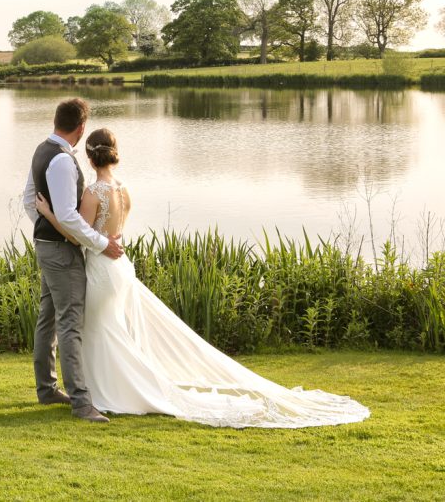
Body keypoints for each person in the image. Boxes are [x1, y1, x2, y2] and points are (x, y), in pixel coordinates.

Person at [34, 126, 370, 428]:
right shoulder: (123, 190)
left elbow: (79, 235)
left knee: (100, 329)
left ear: (90, 159)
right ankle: (103, 388)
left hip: (101, 266)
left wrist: (49, 213)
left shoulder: (93, 194)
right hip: (121, 266)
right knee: (111, 328)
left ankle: (110, 391)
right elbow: (115, 231)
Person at [21, 98, 124, 423]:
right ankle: (81, 402)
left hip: (46, 245)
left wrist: (45, 227)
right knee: (69, 323)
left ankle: (47, 389)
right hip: (61, 252)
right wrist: (99, 243)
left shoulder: (41, 150)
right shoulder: (64, 162)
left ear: (56, 121)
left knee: (48, 317)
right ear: (81, 128)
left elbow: (29, 201)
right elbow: (66, 214)